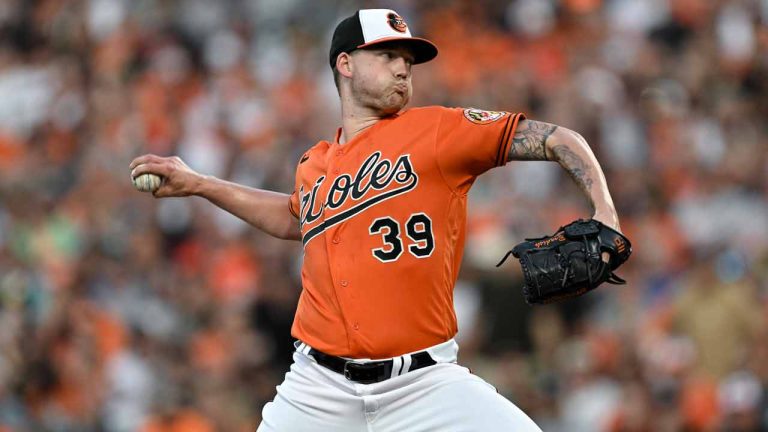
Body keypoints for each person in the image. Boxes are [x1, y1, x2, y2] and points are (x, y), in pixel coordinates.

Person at [130, 8, 622, 431]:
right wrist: (200, 184)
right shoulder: (315, 164)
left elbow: (559, 137)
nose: (402, 70)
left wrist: (605, 212)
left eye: (407, 61)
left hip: (424, 383)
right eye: (387, 56)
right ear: (345, 63)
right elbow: (292, 218)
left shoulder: (436, 131)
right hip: (317, 388)